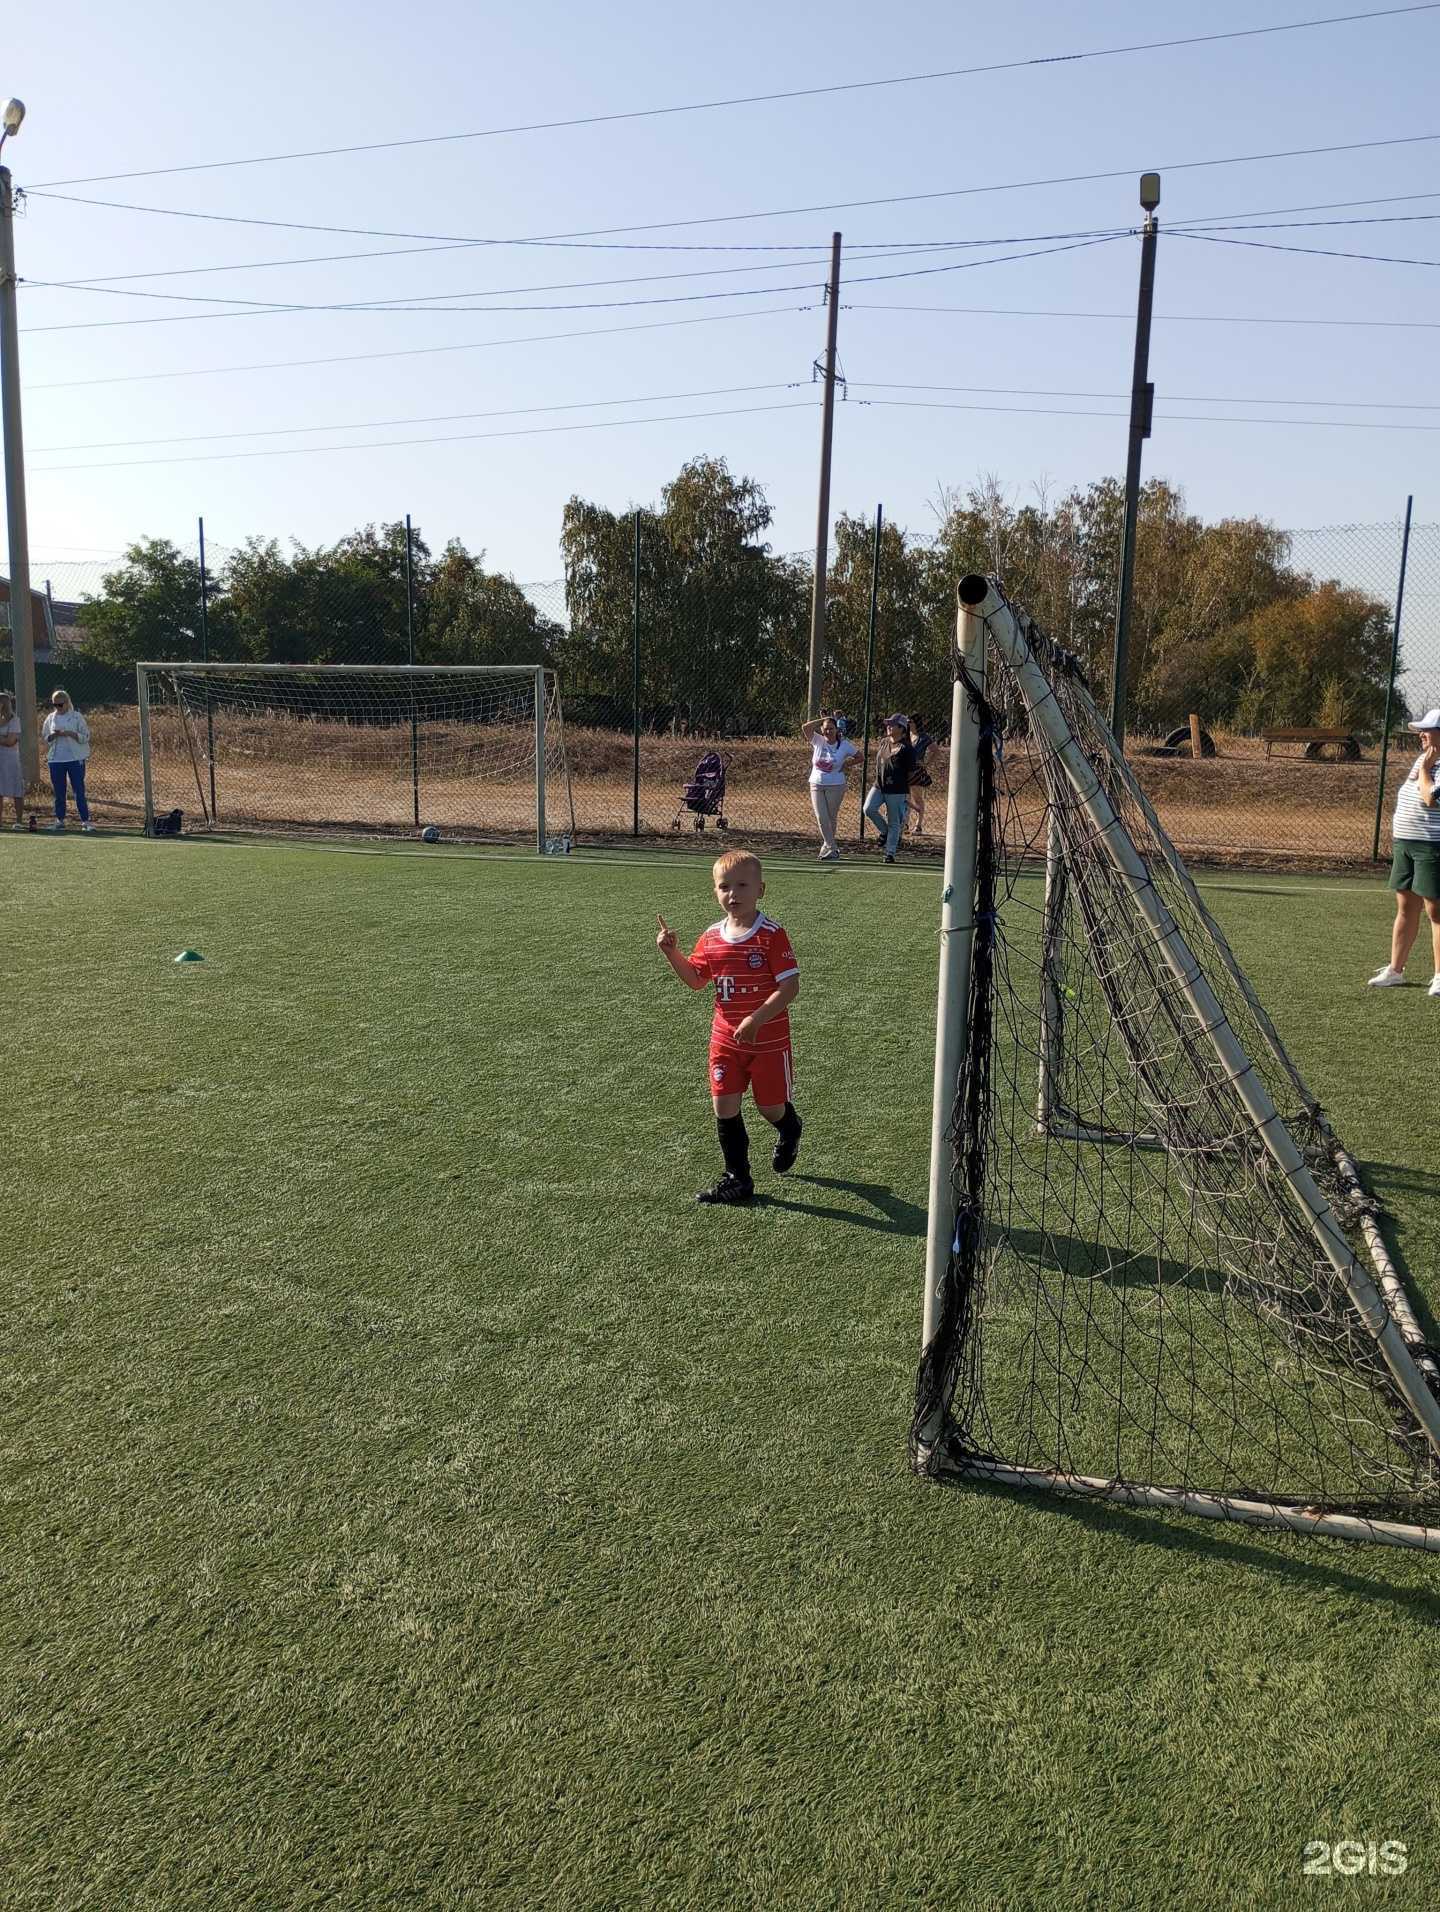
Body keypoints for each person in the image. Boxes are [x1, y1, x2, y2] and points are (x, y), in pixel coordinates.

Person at [655, 848, 803, 1206]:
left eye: (742, 885)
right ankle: (738, 1178)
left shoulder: (771, 934)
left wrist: (756, 1018)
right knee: (724, 1106)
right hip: (725, 1040)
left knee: (770, 1108)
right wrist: (671, 952)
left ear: (760, 890)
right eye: (724, 887)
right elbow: (695, 979)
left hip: (768, 1041)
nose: (732, 893)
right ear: (716, 893)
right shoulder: (711, 937)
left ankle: (789, 1126)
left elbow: (790, 986)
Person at [1368, 708, 1440, 996]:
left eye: (1428, 729)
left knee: (1436, 911)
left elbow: (1430, 798)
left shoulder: (1430, 762)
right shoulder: (1426, 758)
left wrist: (1425, 768)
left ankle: (1439, 976)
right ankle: (1395, 970)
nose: (1421, 734)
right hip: (1407, 844)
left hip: (1432, 846)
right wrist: (1425, 764)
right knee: (1405, 907)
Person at [799, 710, 859, 862]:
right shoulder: (818, 740)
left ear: (837, 730)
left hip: (836, 785)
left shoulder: (844, 745)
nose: (828, 731)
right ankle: (832, 848)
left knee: (831, 818)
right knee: (821, 817)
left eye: (831, 728)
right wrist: (823, 719)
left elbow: (860, 757)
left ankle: (827, 847)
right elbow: (805, 727)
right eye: (825, 728)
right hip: (816, 784)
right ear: (821, 729)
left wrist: (846, 764)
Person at [863, 714, 916, 863]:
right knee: (868, 809)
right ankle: (885, 832)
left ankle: (890, 853)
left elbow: (911, 772)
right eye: (888, 724)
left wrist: (905, 791)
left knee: (894, 821)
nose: (888, 726)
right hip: (879, 786)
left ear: (902, 729)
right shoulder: (884, 742)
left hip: (897, 789)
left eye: (893, 724)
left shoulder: (907, 749)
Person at [41, 689, 93, 833]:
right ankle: (59, 820)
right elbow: (45, 737)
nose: (58, 707)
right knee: (59, 791)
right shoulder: (50, 718)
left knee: (78, 790)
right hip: (56, 760)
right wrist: (53, 736)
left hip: (75, 758)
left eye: (60, 704)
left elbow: (86, 736)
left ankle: (85, 821)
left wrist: (70, 733)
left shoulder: (76, 717)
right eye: (55, 704)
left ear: (67, 702)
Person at [0, 691, 24, 830]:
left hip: (10, 759)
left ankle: (19, 821)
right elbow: (6, 739)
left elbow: (10, 741)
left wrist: (4, 739)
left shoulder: (15, 720)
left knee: (16, 790)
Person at [908, 715, 934, 835]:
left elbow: (936, 751)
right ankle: (904, 823)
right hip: (904, 770)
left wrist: (926, 764)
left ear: (916, 723)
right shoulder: (906, 735)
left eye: (911, 721)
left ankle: (918, 825)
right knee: (904, 798)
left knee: (917, 798)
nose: (908, 723)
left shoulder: (924, 737)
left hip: (917, 771)